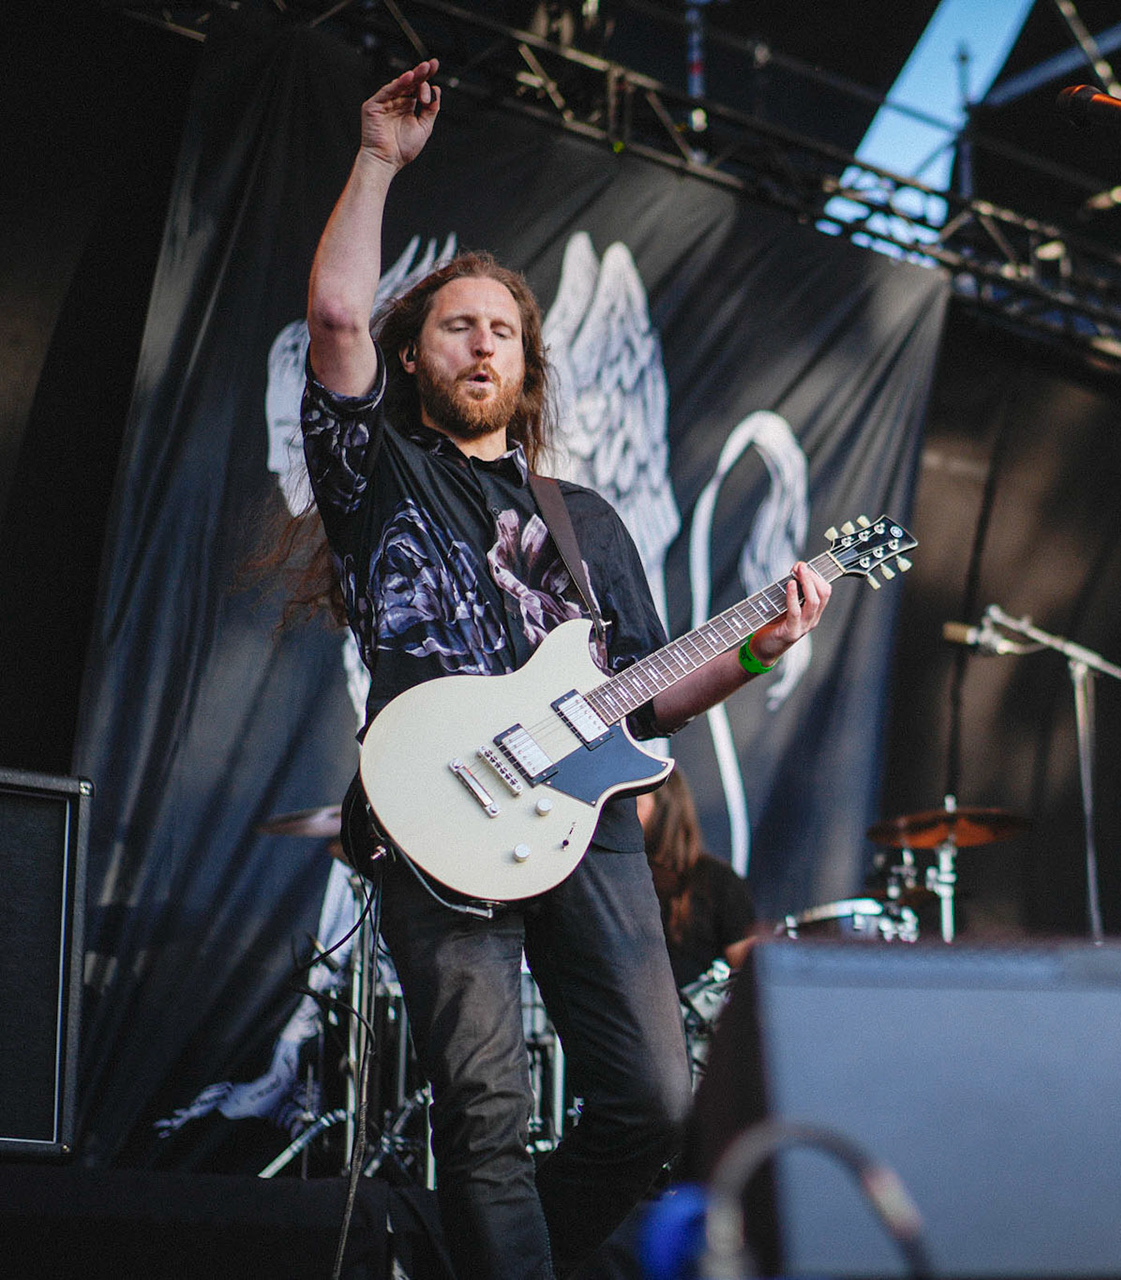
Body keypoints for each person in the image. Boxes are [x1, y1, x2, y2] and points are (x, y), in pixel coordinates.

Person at [300, 60, 831, 1279]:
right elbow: (333, 318)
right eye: (455, 323)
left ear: (528, 369)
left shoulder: (584, 516)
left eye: (503, 329)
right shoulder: (377, 467)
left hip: (583, 819)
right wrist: (379, 155)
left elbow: (650, 687)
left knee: (654, 1101)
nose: (481, 341)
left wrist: (759, 643)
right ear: (415, 351)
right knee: (483, 1120)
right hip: (437, 808)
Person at [637, 771, 761, 988]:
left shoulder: (718, 880)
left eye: (633, 806)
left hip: (689, 1014)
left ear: (665, 810)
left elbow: (748, 969)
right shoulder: (614, 880)